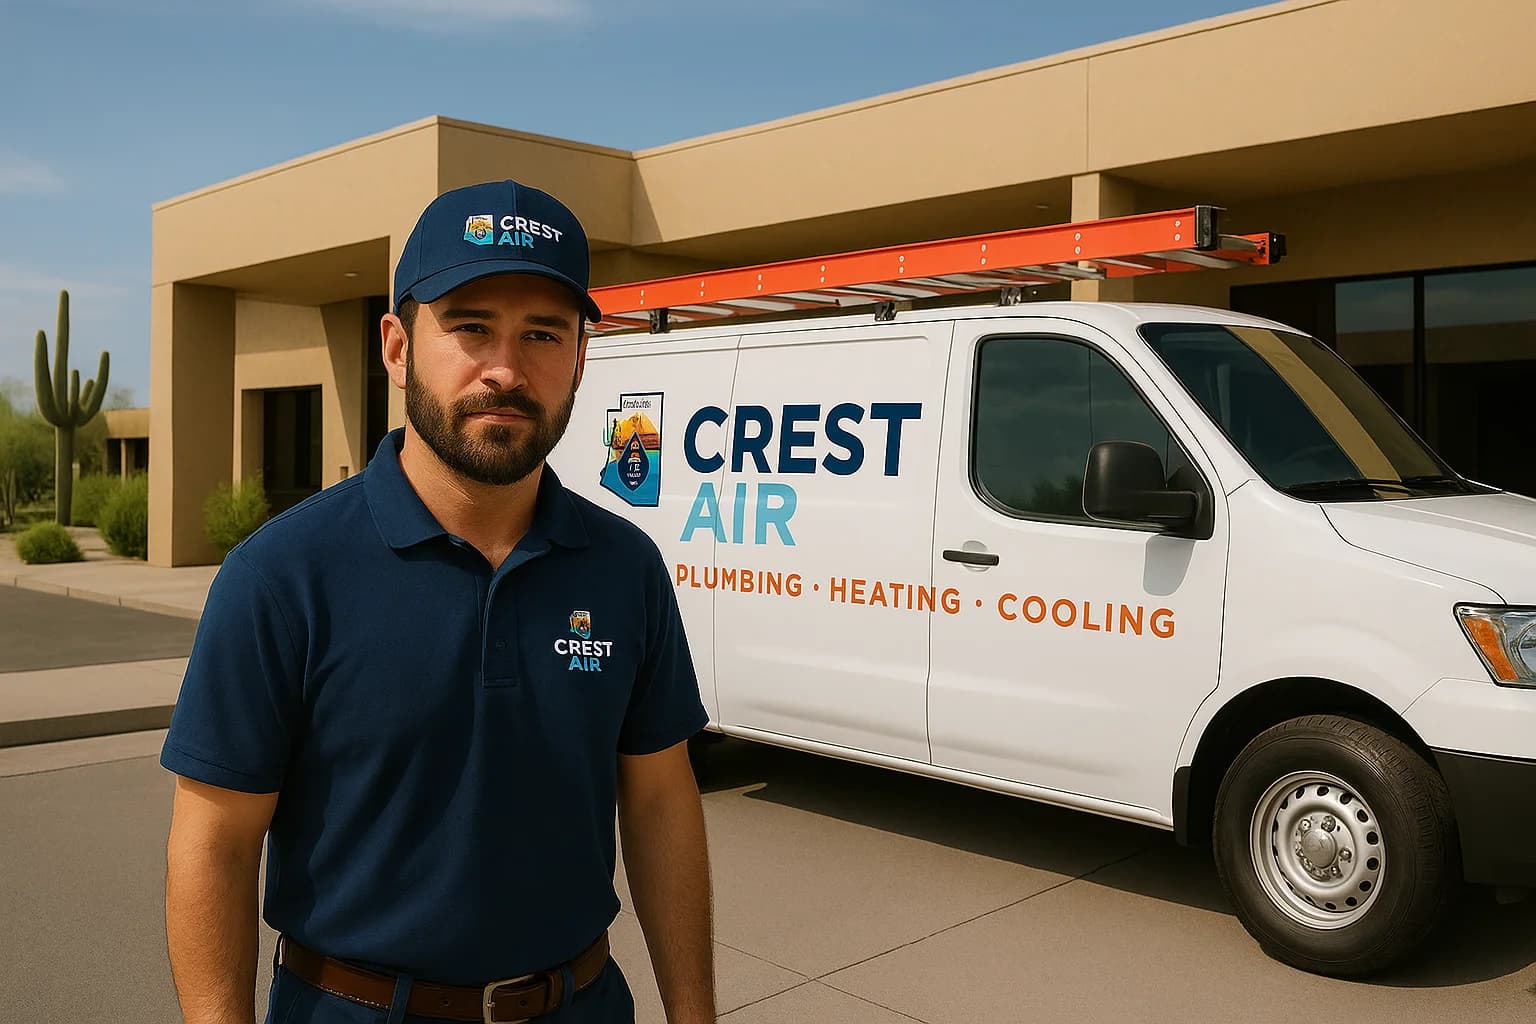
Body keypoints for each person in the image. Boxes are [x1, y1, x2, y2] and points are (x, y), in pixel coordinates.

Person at [160, 179, 715, 1024]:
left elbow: (661, 802)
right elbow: (213, 845)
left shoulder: (623, 568)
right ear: (396, 345)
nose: (505, 369)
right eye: (470, 327)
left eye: (542, 333)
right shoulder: (281, 575)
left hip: (583, 1004)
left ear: (579, 357)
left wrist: (695, 1015)